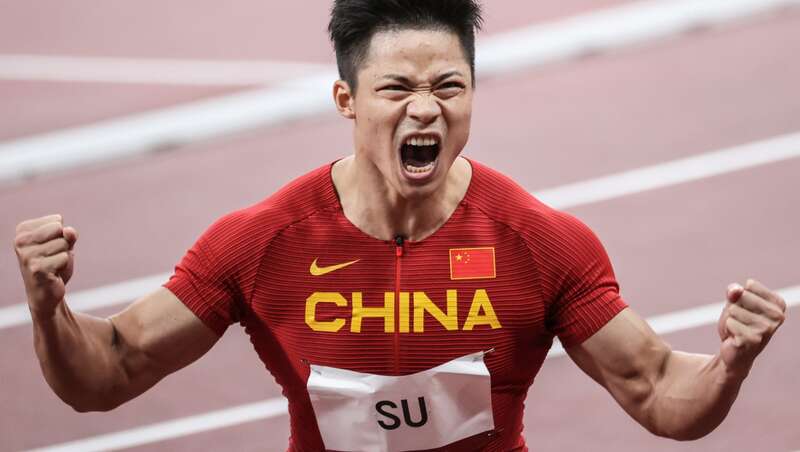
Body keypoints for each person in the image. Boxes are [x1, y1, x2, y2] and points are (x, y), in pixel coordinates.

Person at [13, 0, 787, 450]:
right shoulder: (263, 242)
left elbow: (656, 389)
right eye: (397, 89)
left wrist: (728, 363)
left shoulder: (539, 242)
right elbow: (109, 374)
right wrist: (50, 309)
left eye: (449, 86)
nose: (425, 108)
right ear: (347, 101)